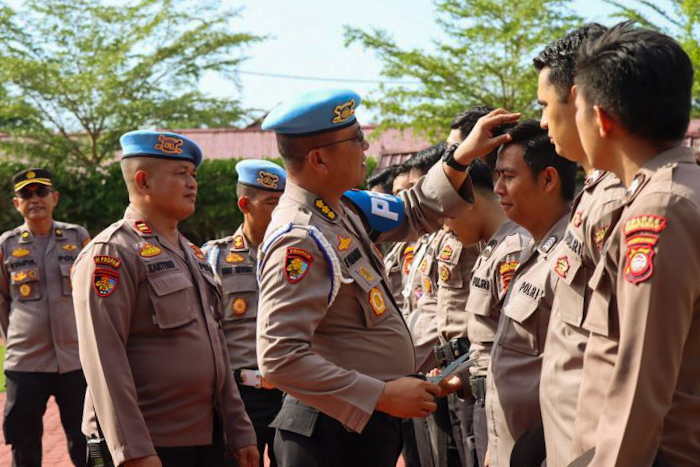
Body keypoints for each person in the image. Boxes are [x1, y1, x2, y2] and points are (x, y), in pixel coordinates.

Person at [256, 88, 519, 467]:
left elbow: (414, 211)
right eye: (355, 139)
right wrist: (379, 394)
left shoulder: (344, 208)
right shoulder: (300, 240)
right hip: (328, 436)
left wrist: (460, 156)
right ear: (318, 159)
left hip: (357, 428)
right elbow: (278, 358)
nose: (365, 147)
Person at [71, 130, 258, 467]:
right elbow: (103, 358)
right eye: (180, 174)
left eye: (193, 175)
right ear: (143, 182)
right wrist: (134, 452)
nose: (192, 183)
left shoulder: (193, 254)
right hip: (150, 444)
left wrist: (239, 429)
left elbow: (218, 350)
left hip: (206, 439)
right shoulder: (112, 252)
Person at [570, 23, 700, 466]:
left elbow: (641, 379)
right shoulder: (676, 189)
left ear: (602, 119)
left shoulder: (662, 208)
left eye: (577, 110)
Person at [532, 24, 627, 467]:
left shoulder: (616, 200)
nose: (542, 121)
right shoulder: (594, 193)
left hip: (592, 445)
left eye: (546, 106)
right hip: (569, 438)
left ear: (578, 99)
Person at [465, 119, 577, 466]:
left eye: (508, 176)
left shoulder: (571, 256)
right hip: (507, 445)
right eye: (496, 176)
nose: (497, 188)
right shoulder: (533, 247)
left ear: (547, 179)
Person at [435, 158, 530, 467]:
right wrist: (458, 377)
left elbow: (518, 354)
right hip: (481, 399)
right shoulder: (492, 249)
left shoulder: (512, 250)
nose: (446, 226)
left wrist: (499, 437)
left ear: (469, 201)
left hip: (503, 409)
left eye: (448, 214)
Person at [0, 168, 90, 467]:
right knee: (24, 446)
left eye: (40, 192)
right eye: (26, 194)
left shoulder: (78, 238)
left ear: (54, 198)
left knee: (88, 442)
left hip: (77, 360)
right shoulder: (6, 245)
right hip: (26, 363)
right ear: (17, 204)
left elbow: (94, 293)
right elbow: (2, 301)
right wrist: (16, 338)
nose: (34, 199)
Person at [202, 159, 286, 467]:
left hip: (293, 394)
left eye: (284, 202)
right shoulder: (214, 257)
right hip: (240, 398)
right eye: (271, 203)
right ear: (244, 204)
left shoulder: (300, 254)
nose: (280, 211)